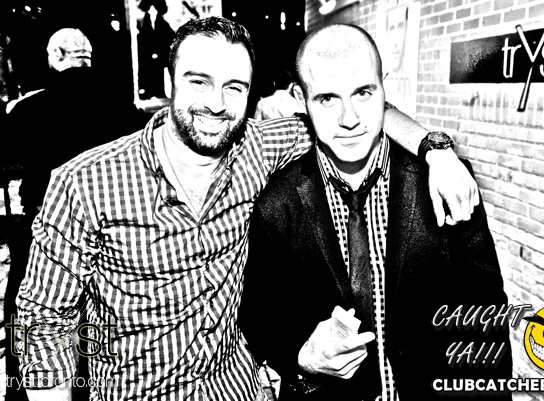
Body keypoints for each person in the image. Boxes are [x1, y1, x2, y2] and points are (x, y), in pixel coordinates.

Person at [16, 17, 479, 401]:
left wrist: (436, 149)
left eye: (234, 87)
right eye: (199, 82)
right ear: (168, 83)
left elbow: (357, 112)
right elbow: (43, 324)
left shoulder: (259, 148)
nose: (217, 104)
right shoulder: (84, 182)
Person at [239, 24, 512, 400]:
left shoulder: (445, 183)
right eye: (327, 99)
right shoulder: (276, 204)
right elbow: (262, 321)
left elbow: (485, 316)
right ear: (301, 99)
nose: (349, 118)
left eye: (363, 93)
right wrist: (303, 357)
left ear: (385, 89)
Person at [4, 27, 144, 401]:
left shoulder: (29, 109)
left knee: (28, 312)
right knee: (103, 316)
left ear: (55, 57)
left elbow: (5, 159)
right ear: (88, 58)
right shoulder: (122, 107)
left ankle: (25, 389)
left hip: (45, 230)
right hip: (110, 232)